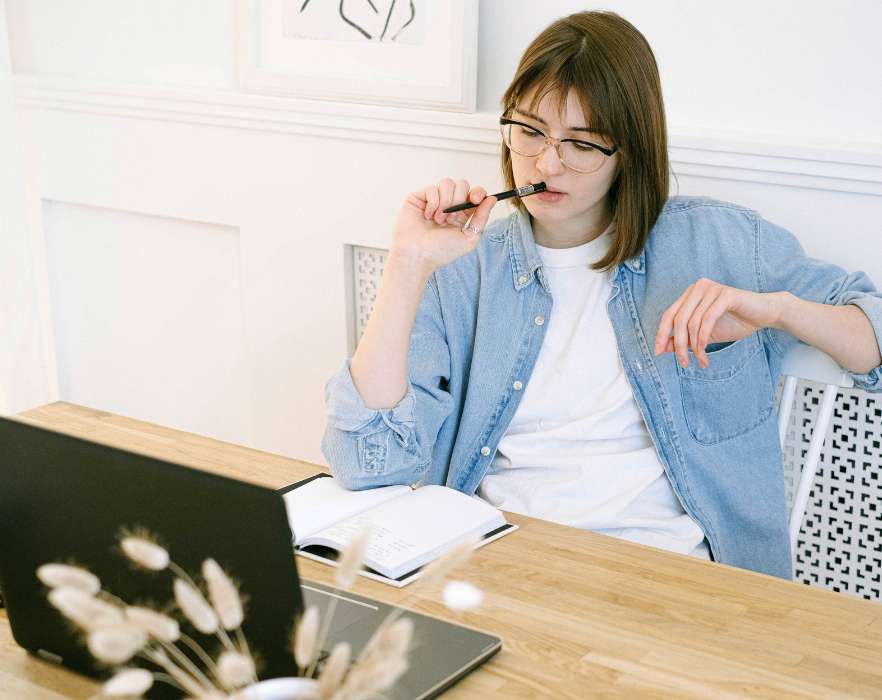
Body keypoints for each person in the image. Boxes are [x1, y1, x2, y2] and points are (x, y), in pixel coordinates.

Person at [320, 11, 882, 579]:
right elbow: (368, 464)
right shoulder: (465, 267)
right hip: (499, 564)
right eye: (530, 131)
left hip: (672, 577)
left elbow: (873, 335)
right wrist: (408, 263)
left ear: (630, 151)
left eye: (582, 145)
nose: (546, 163)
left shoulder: (722, 242)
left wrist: (777, 311)